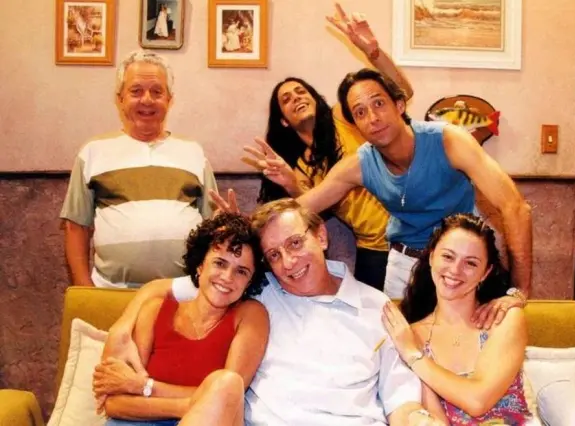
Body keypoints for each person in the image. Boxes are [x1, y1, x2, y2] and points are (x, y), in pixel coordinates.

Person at [97, 199, 434, 426]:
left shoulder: (376, 307)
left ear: (321, 235)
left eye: (295, 243)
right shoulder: (257, 289)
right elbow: (169, 288)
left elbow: (401, 401)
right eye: (273, 254)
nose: (288, 263)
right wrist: (123, 325)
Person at [287, 68, 532, 327]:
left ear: (399, 105)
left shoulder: (449, 141)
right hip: (405, 267)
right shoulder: (359, 164)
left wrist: (518, 291)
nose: (372, 118)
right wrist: (260, 210)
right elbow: (301, 208)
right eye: (360, 112)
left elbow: (516, 207)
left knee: (471, 339)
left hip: (460, 262)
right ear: (356, 126)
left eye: (378, 103)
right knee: (400, 344)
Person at [238, 3, 413, 291]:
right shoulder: (296, 166)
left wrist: (373, 52)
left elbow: (401, 92)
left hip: (412, 230)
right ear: (283, 121)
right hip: (373, 249)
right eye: (286, 99)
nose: (297, 97)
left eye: (301, 91)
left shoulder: (342, 116)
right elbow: (311, 212)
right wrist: (292, 184)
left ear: (314, 98)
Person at [60, 50, 217, 288]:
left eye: (157, 92)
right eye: (136, 91)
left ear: (169, 100)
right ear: (120, 99)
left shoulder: (194, 152)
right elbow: (75, 227)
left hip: (182, 294)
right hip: (111, 293)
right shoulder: (93, 152)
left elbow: (213, 225)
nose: (147, 100)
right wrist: (85, 290)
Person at [94, 213, 269, 426]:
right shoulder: (155, 310)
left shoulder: (250, 316)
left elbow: (228, 397)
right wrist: (190, 405)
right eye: (220, 263)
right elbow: (114, 404)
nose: (227, 277)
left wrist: (143, 387)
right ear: (200, 266)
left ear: (249, 282)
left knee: (226, 382)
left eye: (241, 271)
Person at [382, 213, 538, 425]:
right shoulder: (410, 335)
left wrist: (413, 356)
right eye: (448, 257)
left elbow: (478, 400)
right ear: (431, 257)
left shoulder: (504, 319)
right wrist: (411, 351)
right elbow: (435, 419)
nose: (455, 270)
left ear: (485, 272)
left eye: (470, 263)